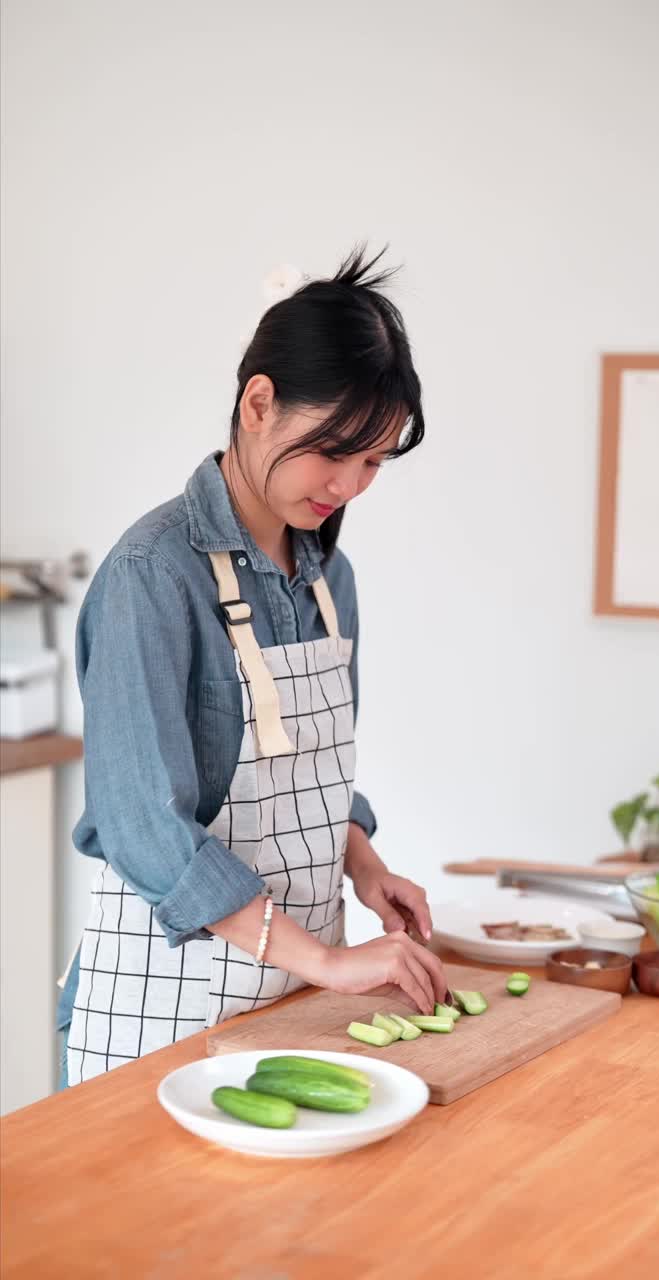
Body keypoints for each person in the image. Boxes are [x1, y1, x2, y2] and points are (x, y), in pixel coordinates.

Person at [57, 246, 448, 1087]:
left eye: (374, 461)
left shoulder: (330, 579)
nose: (349, 484)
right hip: (163, 1011)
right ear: (258, 403)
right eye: (334, 451)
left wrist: (369, 873)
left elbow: (306, 780)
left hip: (290, 1000)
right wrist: (331, 963)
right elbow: (145, 828)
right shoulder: (152, 576)